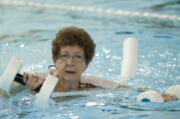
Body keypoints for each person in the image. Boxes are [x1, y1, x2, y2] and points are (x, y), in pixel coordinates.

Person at [8, 26, 178, 102]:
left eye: (78, 57)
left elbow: (129, 91)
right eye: (64, 56)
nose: (70, 63)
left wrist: (162, 95)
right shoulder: (36, 80)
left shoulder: (92, 84)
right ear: (54, 59)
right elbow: (7, 90)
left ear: (87, 63)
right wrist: (21, 86)